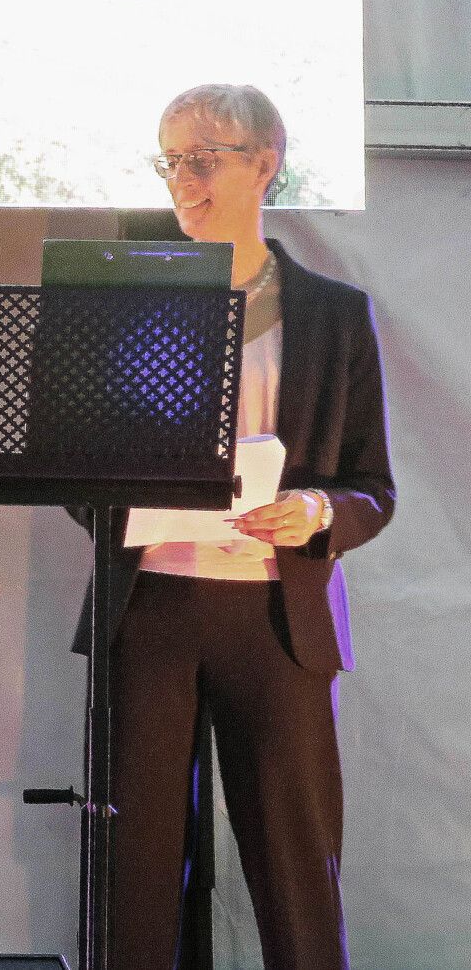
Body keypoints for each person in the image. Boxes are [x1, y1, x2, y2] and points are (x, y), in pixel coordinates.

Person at [72, 84, 395, 968]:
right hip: (151, 611)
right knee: (135, 874)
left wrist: (316, 511)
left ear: (265, 164)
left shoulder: (334, 314)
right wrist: (130, 492)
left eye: (203, 159)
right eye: (170, 161)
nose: (183, 180)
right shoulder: (126, 305)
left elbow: (373, 488)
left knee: (296, 874)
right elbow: (71, 472)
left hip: (278, 620)